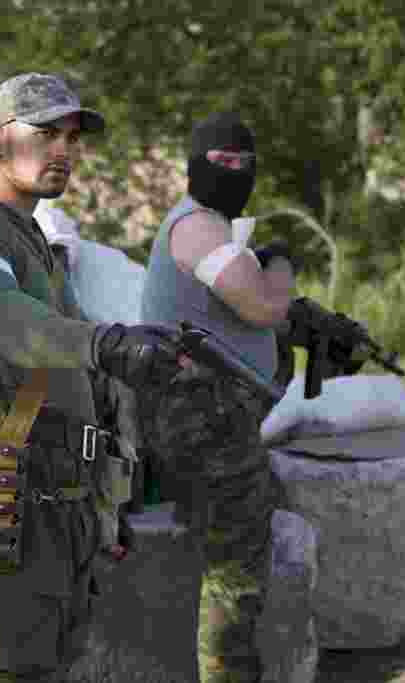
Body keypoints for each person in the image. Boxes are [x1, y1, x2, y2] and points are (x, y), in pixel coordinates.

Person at [0, 72, 182, 683]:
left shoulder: (24, 236)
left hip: (56, 501)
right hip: (6, 500)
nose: (64, 150)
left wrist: (146, 344)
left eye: (73, 137)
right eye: (46, 133)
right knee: (3, 669)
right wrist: (102, 343)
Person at [138, 111, 298, 682]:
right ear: (194, 166)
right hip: (202, 418)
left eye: (242, 163)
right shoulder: (198, 226)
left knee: (239, 556)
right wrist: (280, 264)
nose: (232, 171)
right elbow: (260, 305)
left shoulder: (207, 225)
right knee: (234, 575)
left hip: (212, 416)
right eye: (220, 161)